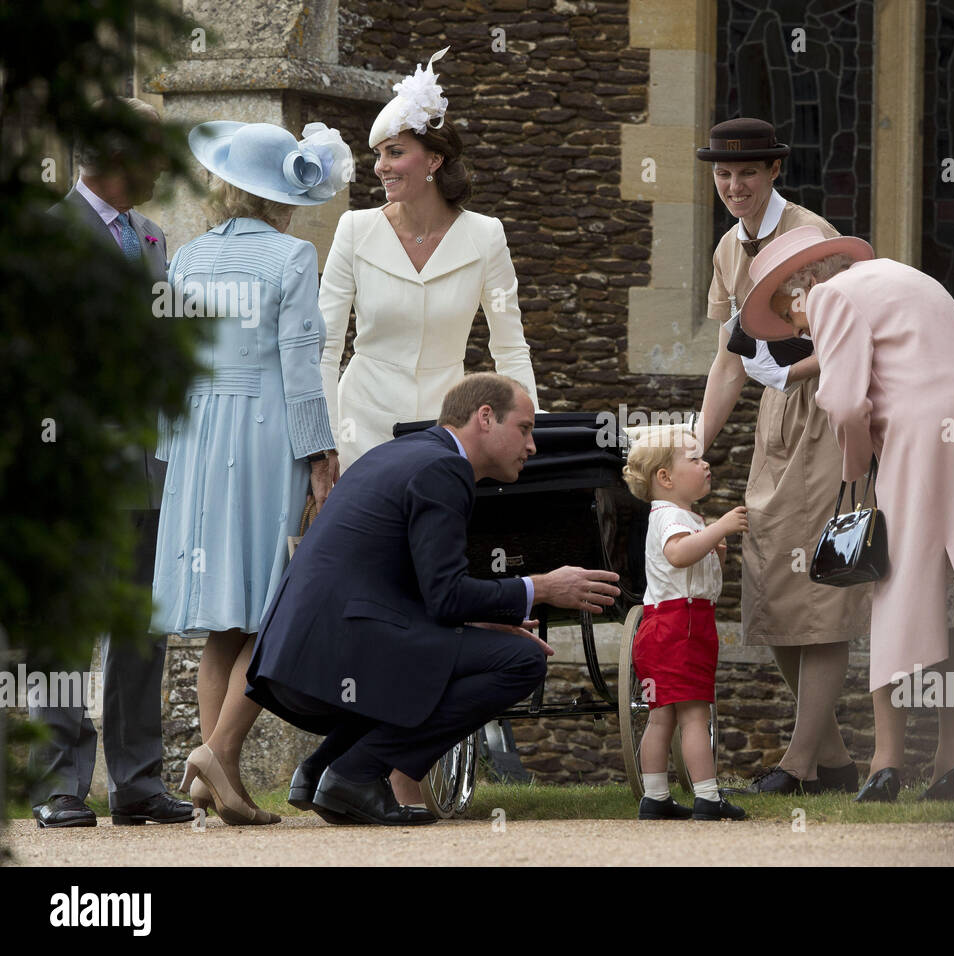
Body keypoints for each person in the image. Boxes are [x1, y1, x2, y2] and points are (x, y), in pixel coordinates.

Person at [241, 373, 622, 825]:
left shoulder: (401, 453)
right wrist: (542, 587)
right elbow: (446, 596)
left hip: (299, 655)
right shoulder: (445, 469)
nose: (533, 446)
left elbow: (417, 588)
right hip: (337, 654)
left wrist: (474, 622)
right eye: (524, 429)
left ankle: (324, 767)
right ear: (485, 418)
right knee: (521, 660)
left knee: (472, 649)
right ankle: (357, 772)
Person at [740, 226, 954, 803]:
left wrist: (854, 471)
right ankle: (951, 765)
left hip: (922, 437)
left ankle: (885, 765)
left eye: (792, 319)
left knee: (893, 587)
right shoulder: (906, 275)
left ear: (804, 287)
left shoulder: (831, 295)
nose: (800, 331)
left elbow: (842, 402)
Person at [156, 119, 350, 825]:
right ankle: (217, 759)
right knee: (274, 612)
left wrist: (170, 450)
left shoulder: (187, 257)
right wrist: (320, 453)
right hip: (267, 433)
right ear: (278, 194)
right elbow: (300, 368)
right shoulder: (294, 256)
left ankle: (215, 775)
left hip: (198, 435)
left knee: (223, 620)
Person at [27, 97, 194, 829]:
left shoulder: (153, 240)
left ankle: (137, 779)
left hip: (151, 464)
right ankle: (59, 783)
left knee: (140, 628)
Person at [692, 118, 870, 796]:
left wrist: (793, 376)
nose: (733, 185)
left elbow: (854, 339)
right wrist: (694, 444)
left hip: (833, 413)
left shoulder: (814, 239)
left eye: (747, 172)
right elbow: (729, 360)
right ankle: (833, 759)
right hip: (776, 427)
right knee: (771, 590)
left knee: (825, 585)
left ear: (773, 172)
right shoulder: (728, 248)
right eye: (723, 174)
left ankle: (798, 763)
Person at [319, 47, 539, 474]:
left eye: (395, 152)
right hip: (358, 426)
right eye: (378, 154)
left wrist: (528, 431)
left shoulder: (485, 234)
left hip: (446, 430)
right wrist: (324, 442)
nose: (381, 167)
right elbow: (325, 349)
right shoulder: (354, 228)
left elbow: (510, 348)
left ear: (434, 160)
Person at [622, 425, 749, 821]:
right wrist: (719, 529)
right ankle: (708, 796)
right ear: (665, 478)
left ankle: (655, 796)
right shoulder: (672, 517)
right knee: (694, 713)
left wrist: (714, 545)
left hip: (668, 627)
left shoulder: (682, 516)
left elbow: (692, 566)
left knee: (662, 715)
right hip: (681, 627)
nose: (706, 463)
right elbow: (678, 556)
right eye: (694, 459)